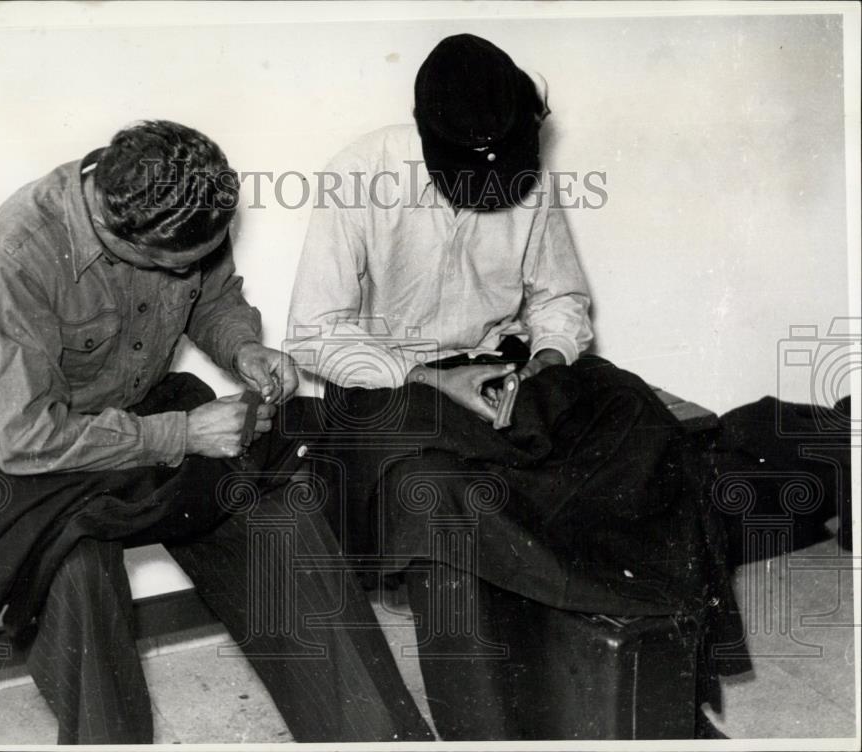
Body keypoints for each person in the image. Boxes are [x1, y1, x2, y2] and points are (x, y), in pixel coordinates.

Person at [0, 120, 433, 744]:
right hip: (50, 445)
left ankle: (376, 739)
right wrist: (183, 436)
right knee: (76, 572)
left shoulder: (187, 206)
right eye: (179, 264)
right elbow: (27, 438)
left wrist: (244, 349)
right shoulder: (16, 253)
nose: (196, 268)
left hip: (155, 409)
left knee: (276, 513)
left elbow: (215, 301)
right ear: (116, 231)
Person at [286, 34, 742, 740]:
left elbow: (560, 300)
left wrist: (542, 364)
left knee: (636, 420)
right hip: (389, 383)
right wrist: (432, 377)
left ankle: (660, 685)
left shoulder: (528, 176)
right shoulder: (357, 174)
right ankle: (486, 731)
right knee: (435, 495)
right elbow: (315, 335)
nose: (498, 195)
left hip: (501, 370)